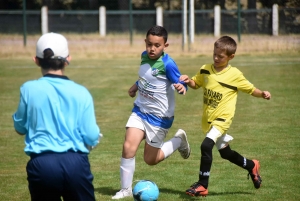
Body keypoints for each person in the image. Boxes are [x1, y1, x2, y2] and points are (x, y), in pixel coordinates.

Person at [12, 32, 102, 201]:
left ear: (36, 60)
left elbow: (20, 127)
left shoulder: (28, 89)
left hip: (42, 165)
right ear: (68, 59)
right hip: (76, 164)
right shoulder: (82, 92)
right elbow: (91, 136)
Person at [180, 36, 271, 197]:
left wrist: (262, 94)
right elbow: (196, 83)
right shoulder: (206, 69)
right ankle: (252, 165)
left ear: (231, 57)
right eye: (214, 54)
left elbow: (250, 89)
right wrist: (188, 81)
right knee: (225, 153)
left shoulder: (234, 74)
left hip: (222, 120)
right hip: (207, 120)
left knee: (206, 146)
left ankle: (202, 184)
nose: (216, 58)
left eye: (220, 56)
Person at [112, 25, 191, 199]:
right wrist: (135, 86)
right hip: (140, 110)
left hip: (159, 118)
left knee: (150, 159)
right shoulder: (143, 56)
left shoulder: (168, 64)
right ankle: (125, 189)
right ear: (145, 42)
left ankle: (178, 140)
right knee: (128, 147)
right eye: (149, 44)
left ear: (165, 46)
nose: (152, 49)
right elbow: (146, 76)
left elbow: (181, 81)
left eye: (157, 45)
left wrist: (181, 87)